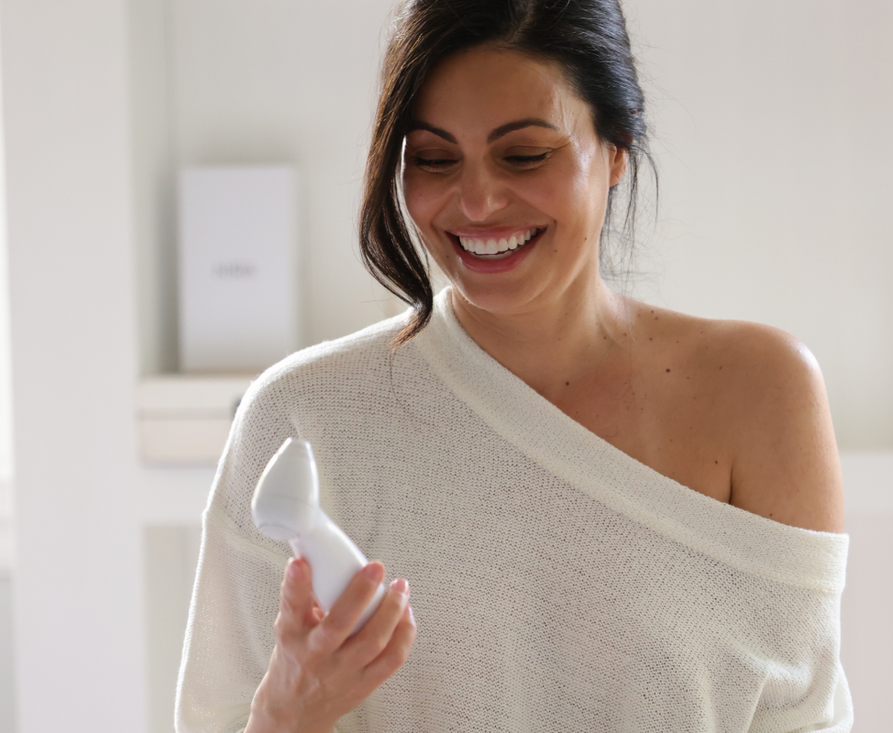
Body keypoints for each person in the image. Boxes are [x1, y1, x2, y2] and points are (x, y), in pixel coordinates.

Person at [176, 0, 852, 731]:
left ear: (617, 147)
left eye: (524, 155)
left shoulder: (759, 393)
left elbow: (802, 717)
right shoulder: (301, 421)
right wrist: (286, 714)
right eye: (434, 158)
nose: (477, 200)